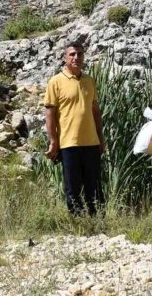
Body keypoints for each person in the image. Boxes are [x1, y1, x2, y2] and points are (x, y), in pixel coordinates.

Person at [43, 41, 105, 216]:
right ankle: (78, 224)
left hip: (91, 142)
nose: (76, 57)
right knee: (73, 188)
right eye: (72, 54)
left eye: (79, 54)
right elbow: (50, 115)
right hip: (68, 144)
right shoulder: (55, 82)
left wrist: (101, 138)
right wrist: (53, 141)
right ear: (65, 58)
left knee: (94, 187)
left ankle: (98, 223)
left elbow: (95, 112)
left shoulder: (89, 81)